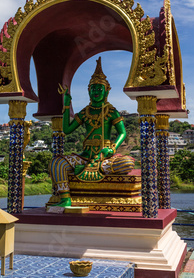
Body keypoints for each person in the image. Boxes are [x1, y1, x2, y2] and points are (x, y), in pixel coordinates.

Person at [50, 57, 135, 207]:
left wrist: (113, 148)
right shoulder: (85, 112)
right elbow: (67, 129)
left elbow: (123, 133)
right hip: (85, 156)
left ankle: (103, 168)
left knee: (126, 163)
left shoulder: (111, 111)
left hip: (105, 156)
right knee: (57, 163)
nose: (96, 91)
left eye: (99, 88)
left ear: (106, 91)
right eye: (93, 88)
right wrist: (67, 106)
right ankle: (65, 198)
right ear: (89, 91)